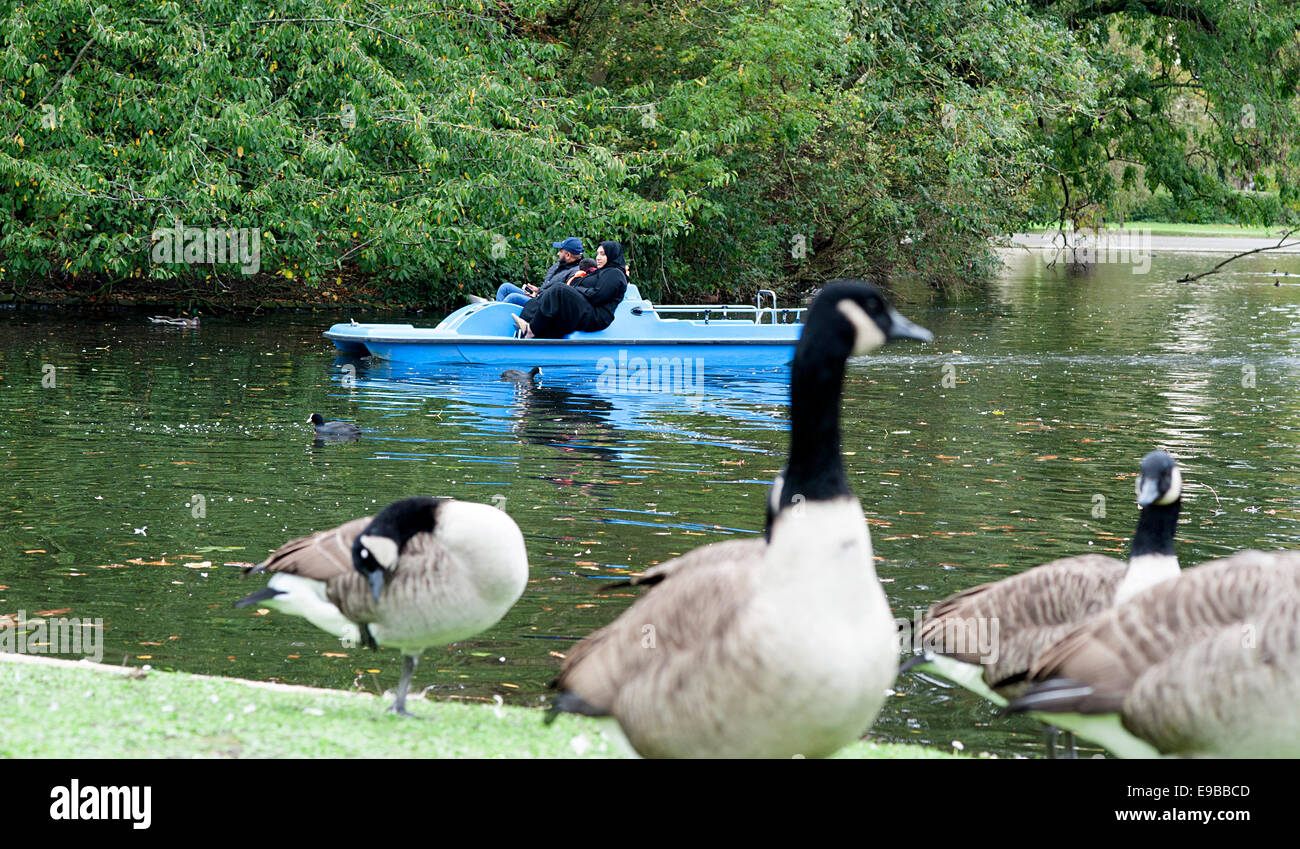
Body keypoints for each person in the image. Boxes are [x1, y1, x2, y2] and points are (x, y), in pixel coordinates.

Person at [513, 241, 627, 339]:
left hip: (596, 316)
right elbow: (580, 286)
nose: (598, 257)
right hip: (587, 308)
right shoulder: (599, 271)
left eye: (603, 254)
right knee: (547, 294)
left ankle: (531, 330)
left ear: (612, 255)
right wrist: (576, 289)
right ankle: (525, 325)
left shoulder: (615, 273)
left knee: (559, 290)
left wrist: (576, 290)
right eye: (597, 254)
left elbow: (597, 296)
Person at [494, 238, 584, 306]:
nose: (558, 254)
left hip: (545, 305)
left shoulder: (575, 274)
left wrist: (540, 295)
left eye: (560, 251)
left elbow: (560, 298)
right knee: (505, 288)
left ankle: (497, 321)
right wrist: (538, 290)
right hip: (539, 297)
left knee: (513, 297)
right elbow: (548, 287)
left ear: (568, 255)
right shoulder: (559, 264)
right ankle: (495, 315)